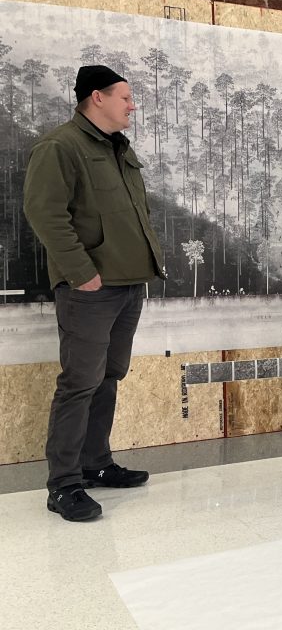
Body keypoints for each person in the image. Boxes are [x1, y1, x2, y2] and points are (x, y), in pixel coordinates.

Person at [23, 65, 165, 522]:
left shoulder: (119, 148)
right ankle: (63, 485)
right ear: (97, 98)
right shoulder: (61, 146)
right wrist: (81, 273)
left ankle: (96, 464)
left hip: (127, 284)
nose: (132, 105)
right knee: (79, 383)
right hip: (91, 289)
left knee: (107, 376)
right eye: (125, 97)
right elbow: (44, 213)